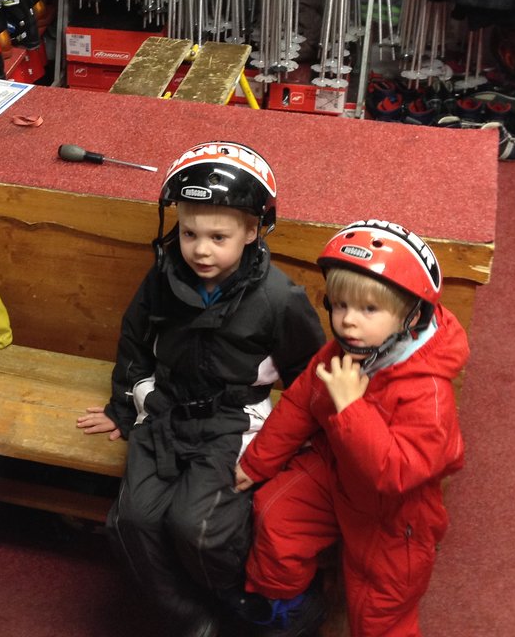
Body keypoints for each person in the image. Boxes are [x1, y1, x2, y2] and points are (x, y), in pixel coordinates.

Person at [76, 141, 325, 637]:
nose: (200, 249)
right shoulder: (163, 276)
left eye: (218, 236)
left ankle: (243, 597)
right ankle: (190, 616)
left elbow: (308, 375)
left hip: (233, 422)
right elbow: (135, 339)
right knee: (130, 523)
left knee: (198, 528)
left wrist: (301, 443)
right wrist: (123, 407)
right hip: (164, 412)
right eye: (190, 233)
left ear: (252, 231)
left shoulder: (280, 298)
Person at [231, 219, 469, 637]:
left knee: (381, 606)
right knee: (275, 514)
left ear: (411, 315)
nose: (348, 322)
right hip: (336, 468)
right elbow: (300, 403)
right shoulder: (345, 350)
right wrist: (257, 463)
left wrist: (351, 406)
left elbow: (396, 473)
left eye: (368, 309)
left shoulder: (429, 391)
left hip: (394, 511)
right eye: (340, 305)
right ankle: (289, 608)